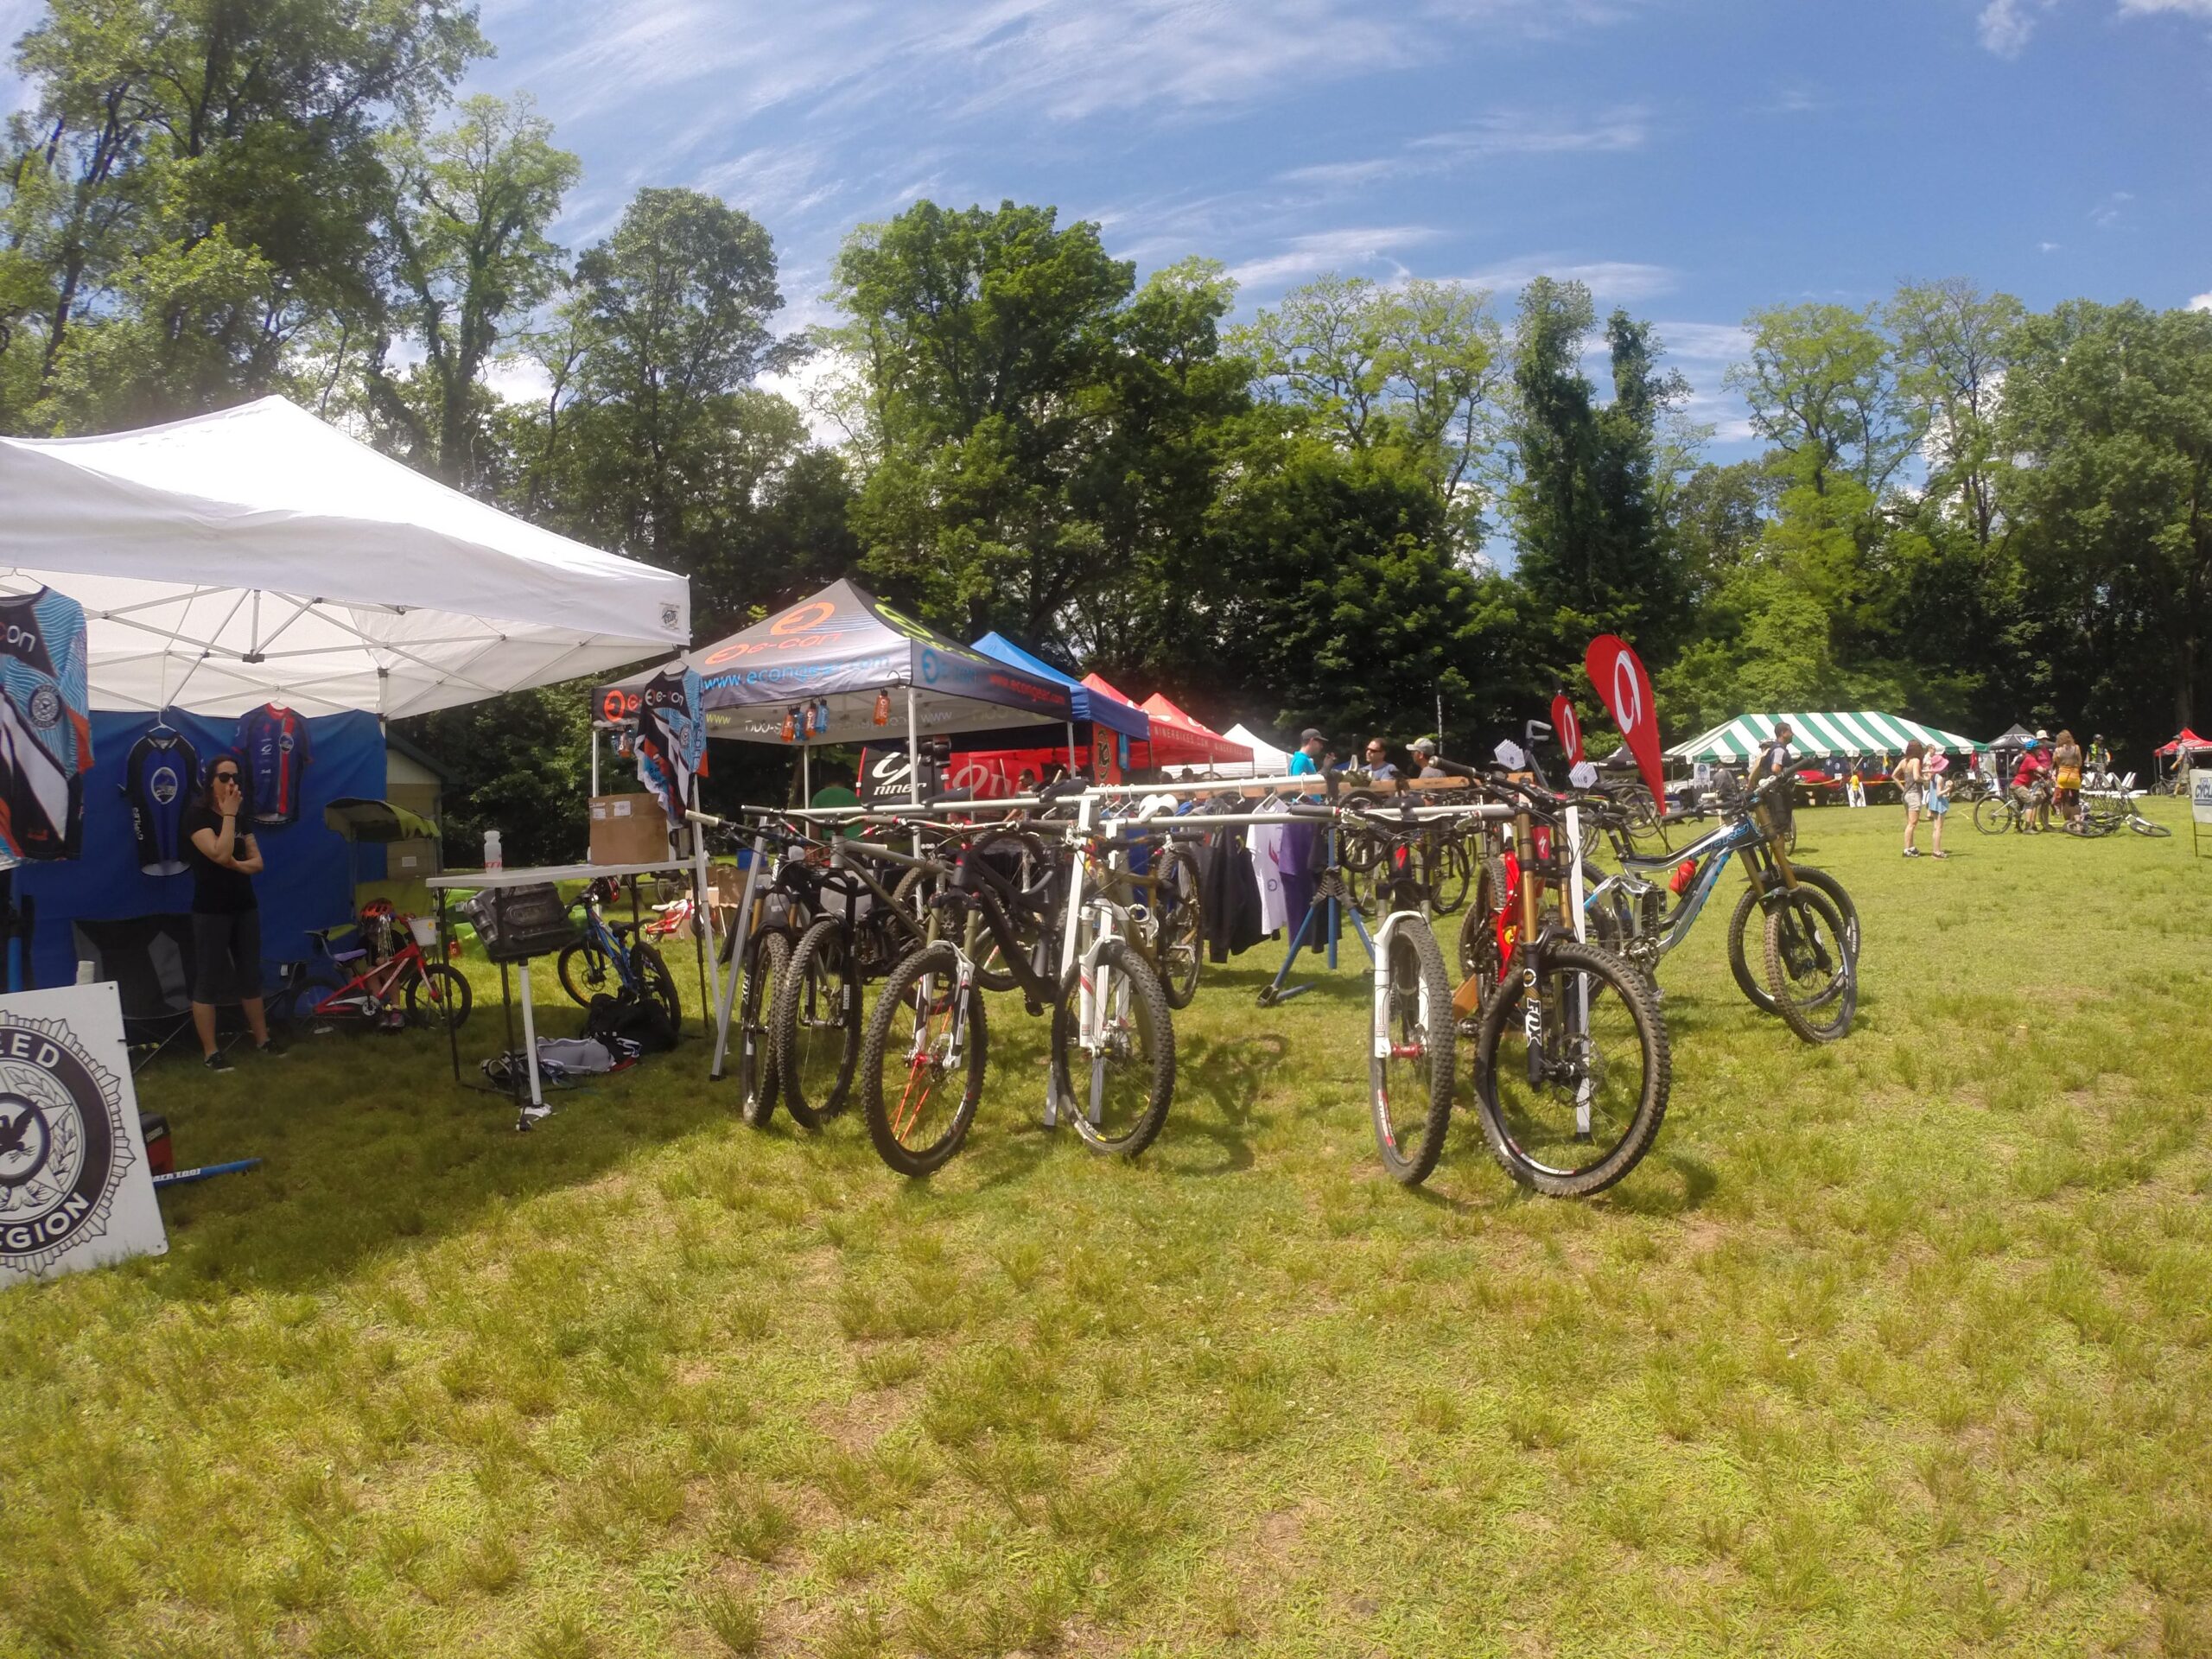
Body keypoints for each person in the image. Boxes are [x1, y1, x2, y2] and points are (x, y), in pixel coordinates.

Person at [184, 755, 283, 1070]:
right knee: (208, 980)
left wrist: (236, 865)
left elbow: (257, 862)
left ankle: (263, 1040)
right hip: (211, 910)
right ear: (210, 781)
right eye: (224, 777)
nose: (230, 784)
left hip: (244, 906)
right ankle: (211, 1052)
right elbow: (219, 852)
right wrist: (228, 815)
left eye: (234, 778)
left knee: (250, 976)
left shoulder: (240, 817)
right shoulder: (196, 816)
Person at [1747, 721, 1796, 836]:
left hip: (1772, 792)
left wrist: (1750, 781)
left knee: (1777, 827)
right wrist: (1785, 779)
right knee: (1779, 829)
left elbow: (1759, 763)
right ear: (1783, 733)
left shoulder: (1771, 750)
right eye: (1790, 732)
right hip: (1779, 793)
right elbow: (1775, 768)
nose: (1793, 734)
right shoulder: (1779, 750)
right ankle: (1779, 853)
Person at [1896, 740, 1928, 857]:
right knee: (1912, 824)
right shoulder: (1916, 761)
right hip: (1914, 795)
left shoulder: (1904, 761)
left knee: (1910, 822)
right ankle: (1907, 849)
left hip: (1906, 795)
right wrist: (1925, 779)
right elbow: (1916, 777)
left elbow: (1894, 775)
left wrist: (1903, 788)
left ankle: (1911, 846)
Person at [2012, 739, 2052, 830]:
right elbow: (2040, 769)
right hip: (2019, 785)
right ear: (2034, 750)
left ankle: (2017, 827)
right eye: (2038, 749)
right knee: (2030, 802)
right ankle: (2028, 828)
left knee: (2020, 805)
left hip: (2017, 784)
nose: (2040, 752)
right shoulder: (2030, 759)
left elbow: (2031, 772)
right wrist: (2047, 770)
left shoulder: (2028, 758)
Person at [2051, 728, 2083, 824]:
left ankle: (2068, 823)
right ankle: (2077, 822)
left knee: (2065, 801)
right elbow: (2080, 762)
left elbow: (2056, 763)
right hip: (2074, 776)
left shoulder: (2058, 750)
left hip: (2062, 777)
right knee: (2075, 801)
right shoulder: (2076, 748)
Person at [1925, 753, 1951, 858]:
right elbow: (1939, 794)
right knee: (1939, 829)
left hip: (1933, 804)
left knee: (1935, 828)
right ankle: (1937, 852)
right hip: (1939, 805)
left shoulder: (1933, 777)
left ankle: (1935, 850)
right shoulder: (1939, 778)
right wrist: (1948, 788)